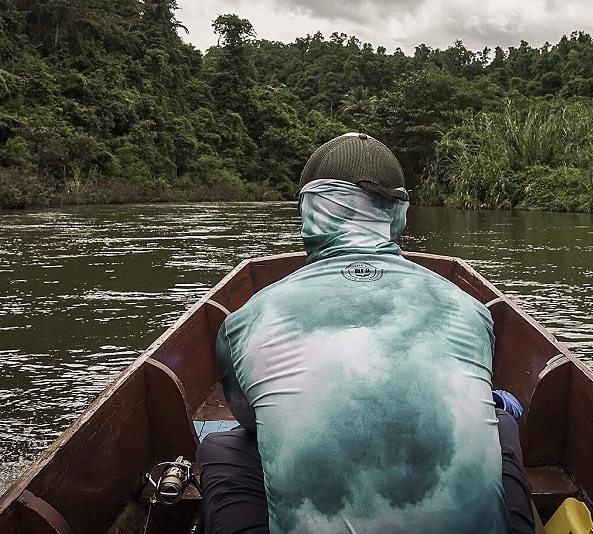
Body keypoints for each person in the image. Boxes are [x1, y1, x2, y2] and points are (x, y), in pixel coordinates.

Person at [197, 133, 535, 534]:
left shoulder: (246, 322)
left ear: (308, 212)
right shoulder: (469, 310)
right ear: (398, 213)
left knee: (220, 447)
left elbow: (252, 424)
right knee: (503, 424)